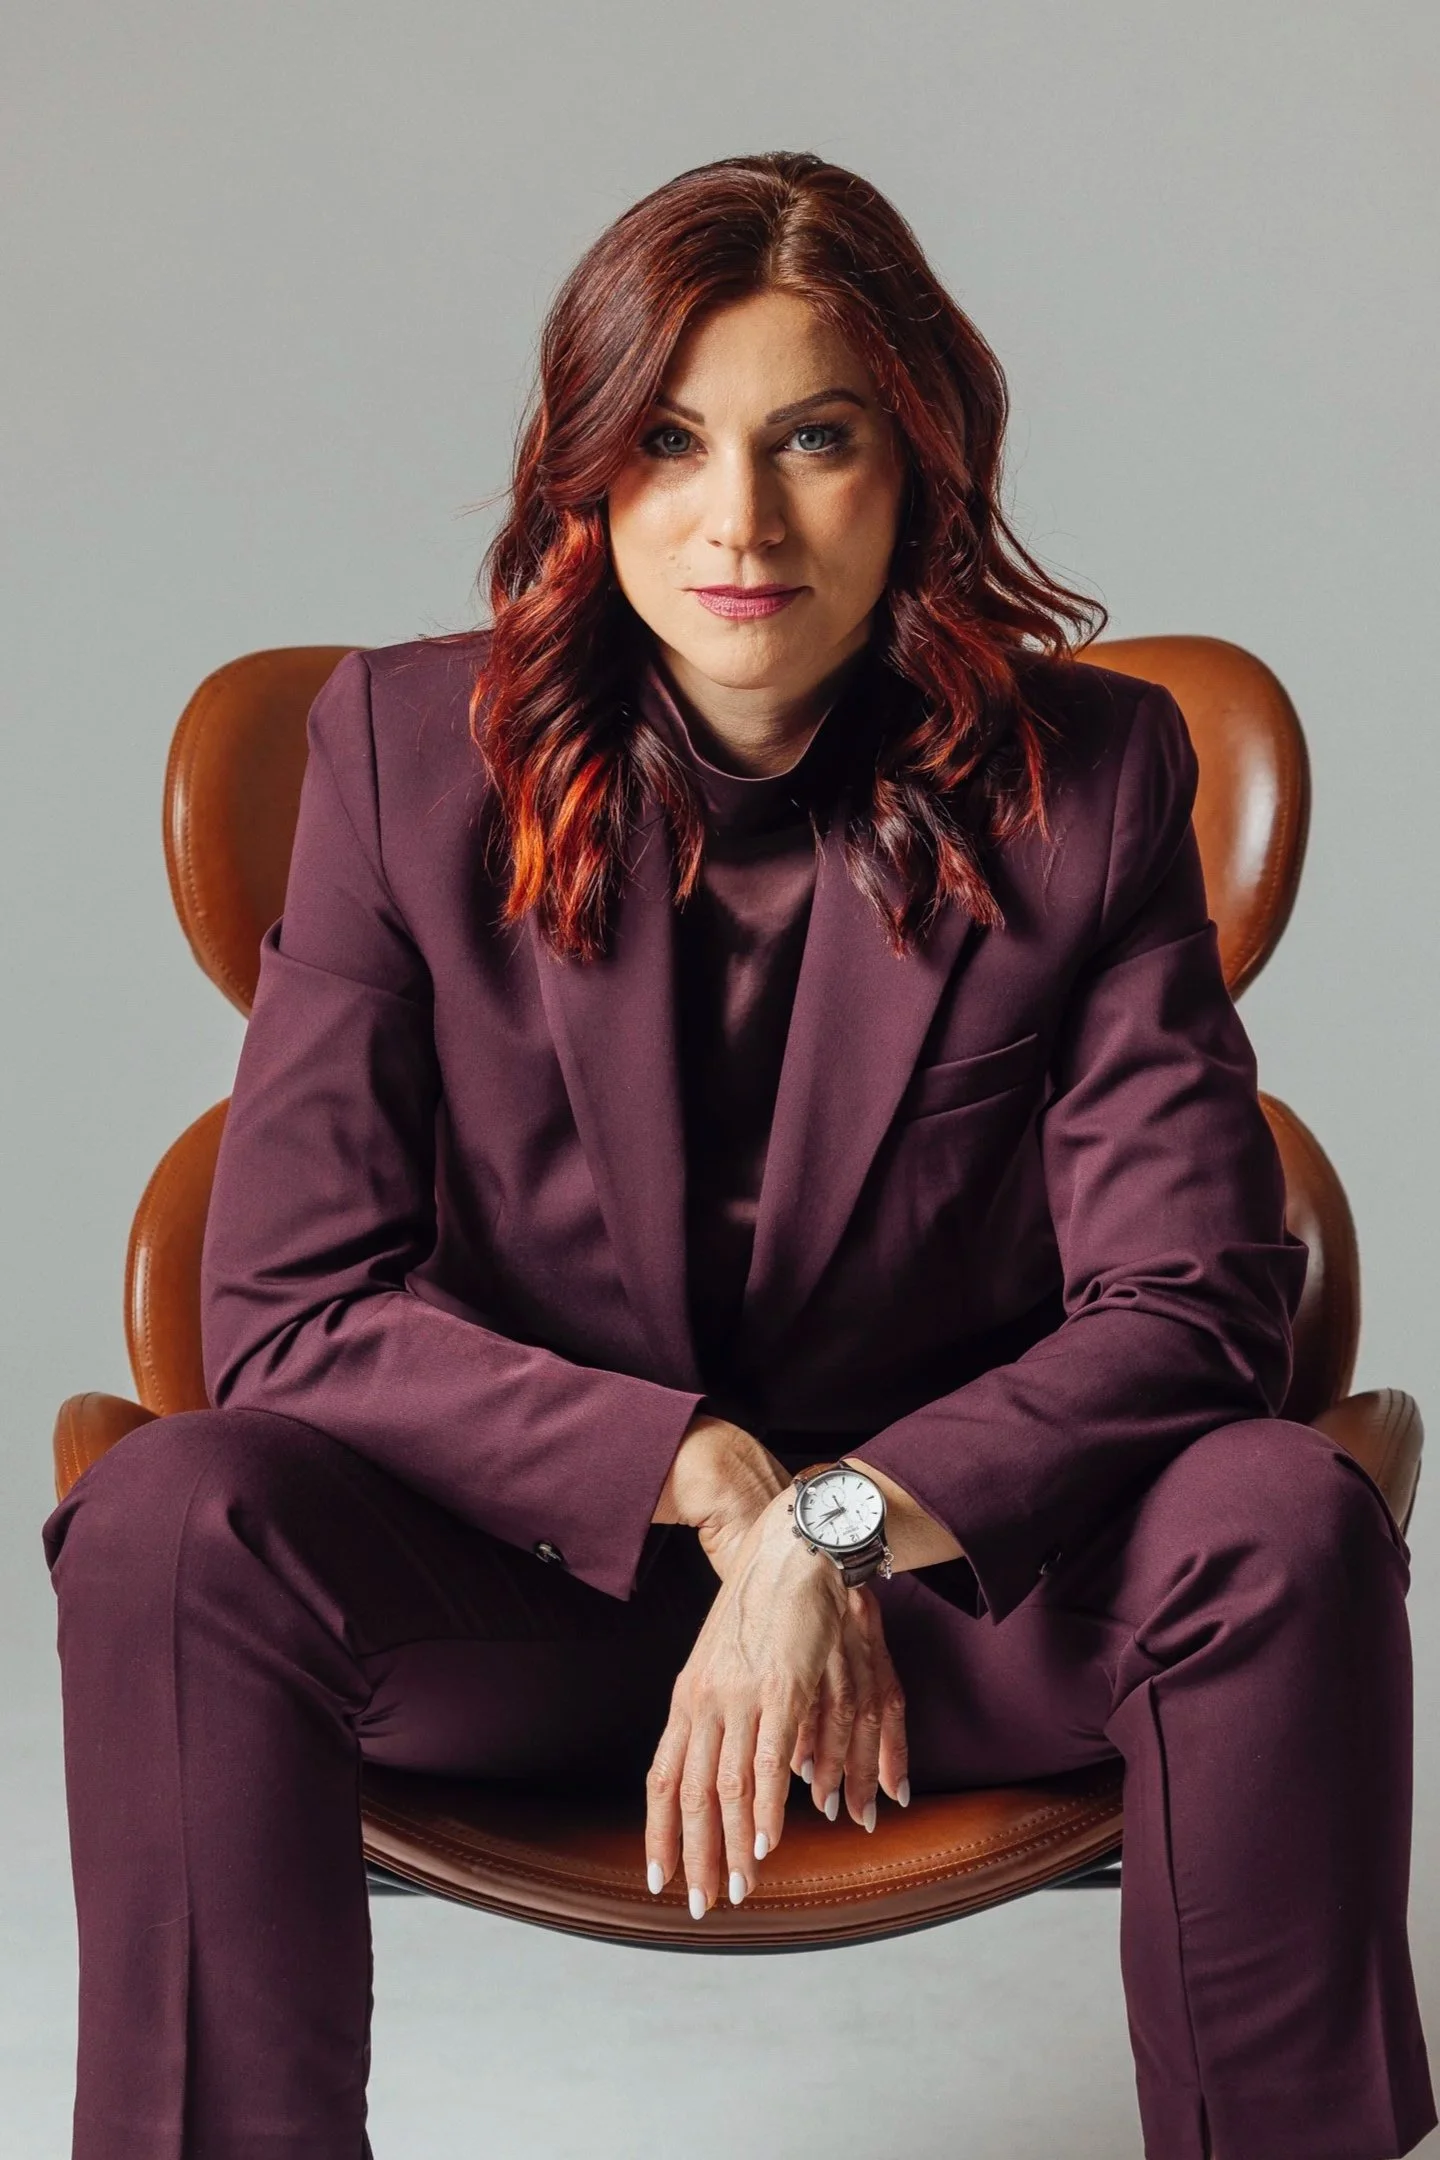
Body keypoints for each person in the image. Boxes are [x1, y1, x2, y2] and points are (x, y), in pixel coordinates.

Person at [42, 149, 1434, 2160]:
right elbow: (288, 1309)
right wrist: (701, 1481)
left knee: (1280, 1519)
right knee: (173, 1518)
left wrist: (832, 1530)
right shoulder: (402, 761)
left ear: (919, 467)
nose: (741, 521)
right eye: (673, 440)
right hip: (529, 1600)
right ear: (589, 471)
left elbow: (1193, 1311)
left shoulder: (1095, 783)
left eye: (817, 440)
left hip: (950, 1610)